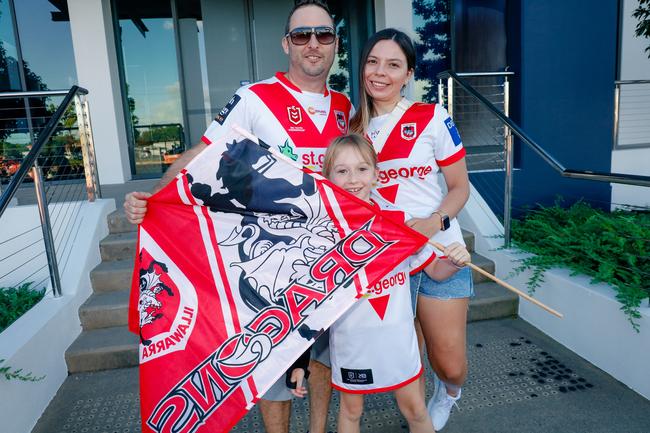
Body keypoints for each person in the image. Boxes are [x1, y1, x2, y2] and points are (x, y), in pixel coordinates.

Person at [123, 2, 352, 433]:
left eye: (323, 35)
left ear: (335, 43)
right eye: (302, 35)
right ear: (287, 43)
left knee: (324, 353)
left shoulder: (345, 105)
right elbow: (203, 154)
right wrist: (155, 197)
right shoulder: (255, 98)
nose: (313, 44)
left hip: (331, 254)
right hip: (273, 256)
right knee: (274, 362)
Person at [287, 134, 470, 433]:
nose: (353, 179)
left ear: (376, 174)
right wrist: (300, 360)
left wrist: (454, 260)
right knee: (350, 411)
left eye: (362, 169)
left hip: (398, 341)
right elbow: (308, 307)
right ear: (327, 177)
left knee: (415, 409)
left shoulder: (400, 221)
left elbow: (435, 271)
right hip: (351, 344)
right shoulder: (320, 234)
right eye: (342, 171)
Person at [349, 29, 472, 431]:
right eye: (372, 61)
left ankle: (449, 392)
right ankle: (418, 415)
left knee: (450, 362)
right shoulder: (352, 129)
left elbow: (459, 187)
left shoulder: (432, 117)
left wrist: (435, 221)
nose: (380, 72)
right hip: (388, 261)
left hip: (440, 253)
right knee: (407, 355)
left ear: (409, 75)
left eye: (393, 64)